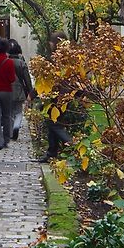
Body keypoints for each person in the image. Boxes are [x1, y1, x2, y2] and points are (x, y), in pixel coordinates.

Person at [37, 31, 72, 162]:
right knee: (53, 123)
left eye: (51, 42)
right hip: (65, 95)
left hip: (58, 96)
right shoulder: (68, 58)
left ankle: (71, 144)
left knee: (54, 124)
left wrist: (34, 94)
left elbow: (46, 80)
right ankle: (51, 153)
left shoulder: (56, 59)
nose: (50, 45)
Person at [7, 39, 34, 141]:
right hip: (19, 90)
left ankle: (10, 132)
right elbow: (27, 79)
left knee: (9, 112)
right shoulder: (21, 63)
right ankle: (16, 128)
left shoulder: (5, 62)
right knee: (18, 112)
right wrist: (30, 92)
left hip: (7, 90)